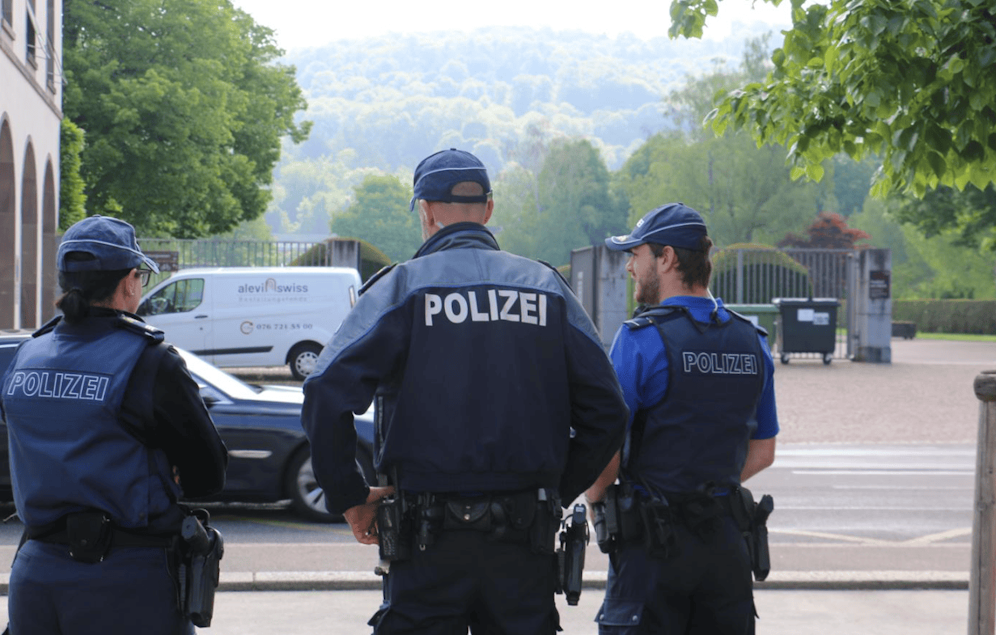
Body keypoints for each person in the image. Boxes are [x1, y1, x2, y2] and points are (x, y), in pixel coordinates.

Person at [302, 148, 629, 634]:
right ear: (489, 209)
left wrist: (349, 495)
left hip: (426, 543)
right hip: (524, 542)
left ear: (426, 211)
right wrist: (554, 491)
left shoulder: (401, 288)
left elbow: (325, 392)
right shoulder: (545, 287)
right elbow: (608, 411)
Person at [0, 215, 229, 635]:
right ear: (128, 283)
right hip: (127, 583)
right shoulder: (149, 361)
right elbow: (208, 474)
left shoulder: (26, 356)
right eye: (140, 276)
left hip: (35, 575)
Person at [586, 202, 779, 635]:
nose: (630, 267)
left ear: (667, 258)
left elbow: (604, 452)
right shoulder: (752, 341)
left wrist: (597, 499)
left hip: (651, 550)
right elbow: (763, 451)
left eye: (636, 254)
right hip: (725, 548)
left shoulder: (640, 339)